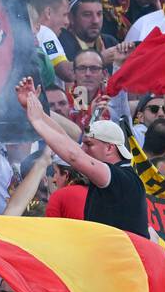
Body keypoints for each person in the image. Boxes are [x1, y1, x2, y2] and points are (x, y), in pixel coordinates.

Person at [16, 78, 150, 238]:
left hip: (123, 261)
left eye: (89, 144)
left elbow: (74, 156)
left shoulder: (122, 177)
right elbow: (66, 140)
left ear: (109, 148)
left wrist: (37, 120)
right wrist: (37, 111)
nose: (83, 150)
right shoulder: (117, 175)